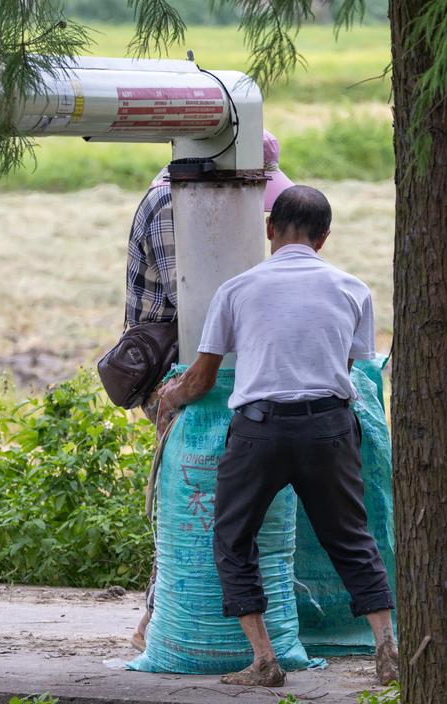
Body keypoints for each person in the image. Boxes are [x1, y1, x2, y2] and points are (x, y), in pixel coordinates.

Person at [156, 185, 398, 687]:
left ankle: (264, 660)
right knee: (351, 538)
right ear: (324, 238)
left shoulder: (237, 289)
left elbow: (201, 380)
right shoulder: (353, 289)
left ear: (269, 230)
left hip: (258, 433)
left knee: (232, 538)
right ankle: (386, 649)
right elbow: (351, 368)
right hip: (329, 428)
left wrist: (170, 397)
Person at [127, 131, 295, 651]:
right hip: (178, 371)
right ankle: (159, 627)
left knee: (202, 501)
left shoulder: (193, 196)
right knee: (189, 502)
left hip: (204, 368)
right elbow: (200, 294)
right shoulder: (173, 205)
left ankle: (158, 622)